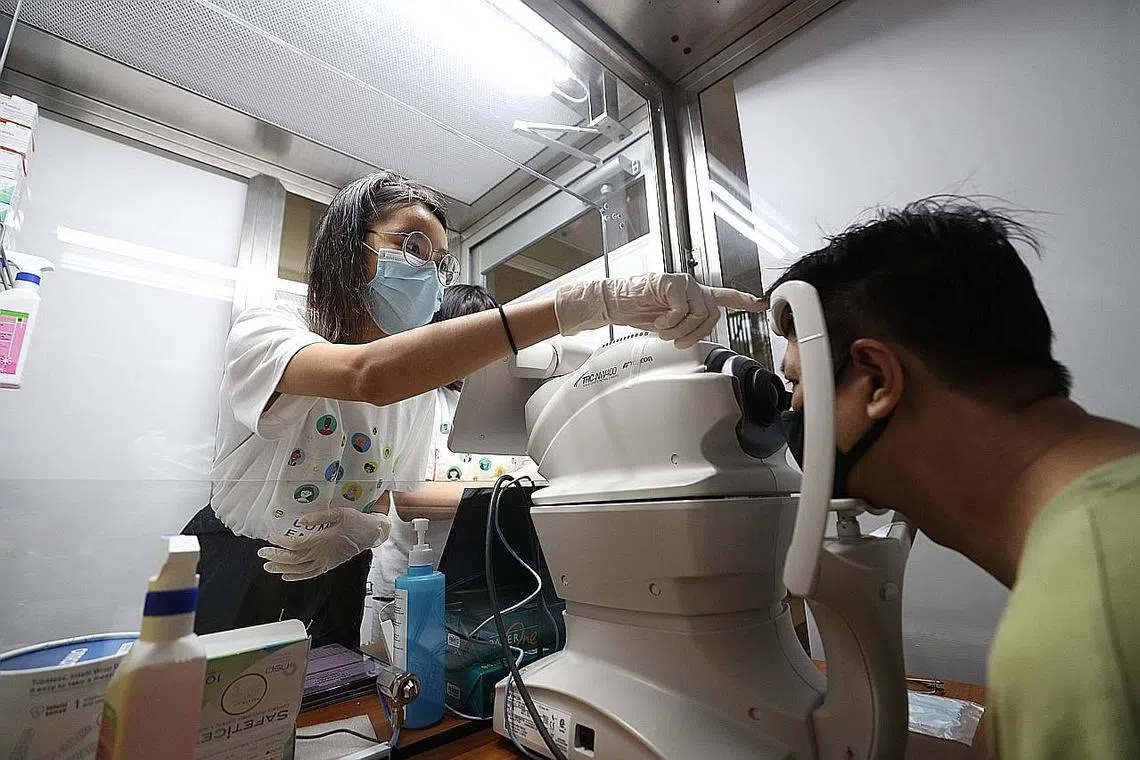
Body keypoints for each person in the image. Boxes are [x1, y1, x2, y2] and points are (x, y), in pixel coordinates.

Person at [183, 169, 763, 648]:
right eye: (412, 245)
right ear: (348, 247)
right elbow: (366, 375)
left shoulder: (416, 393)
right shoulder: (270, 329)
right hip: (240, 560)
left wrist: (363, 531)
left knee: (333, 718)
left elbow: (385, 492)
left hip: (336, 571)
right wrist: (586, 305)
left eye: (439, 261)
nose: (428, 272)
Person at [768, 197, 1140, 759]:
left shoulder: (1086, 632)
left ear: (876, 380)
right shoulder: (1113, 513)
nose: (794, 408)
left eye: (799, 382)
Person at [371, 283, 539, 598]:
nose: (478, 350)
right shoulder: (420, 397)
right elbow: (411, 500)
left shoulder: (507, 403)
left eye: (488, 337)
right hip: (411, 583)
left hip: (483, 581)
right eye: (465, 336)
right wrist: (508, 493)